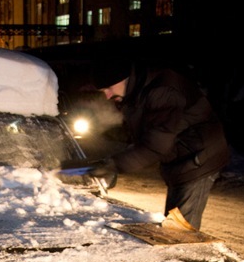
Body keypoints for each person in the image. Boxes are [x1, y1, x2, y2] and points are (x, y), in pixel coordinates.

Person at [85, 58, 230, 231]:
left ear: (124, 79)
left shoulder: (163, 91)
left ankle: (184, 256)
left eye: (109, 88)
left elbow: (156, 146)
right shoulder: (136, 92)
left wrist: (114, 165)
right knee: (173, 222)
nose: (107, 95)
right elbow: (140, 136)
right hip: (181, 160)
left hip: (198, 159)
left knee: (180, 230)